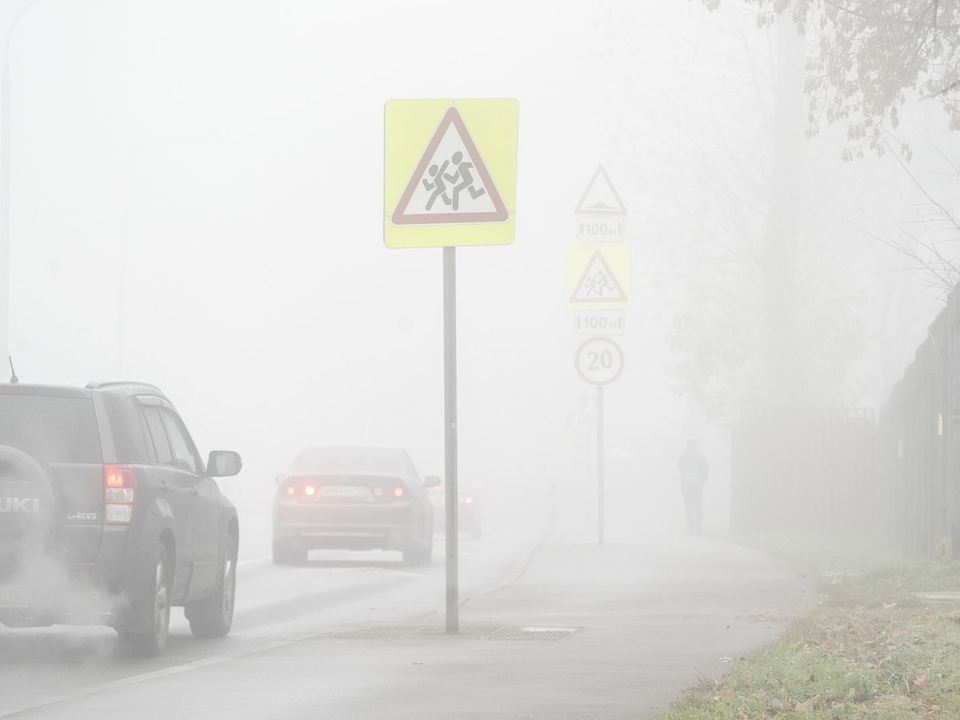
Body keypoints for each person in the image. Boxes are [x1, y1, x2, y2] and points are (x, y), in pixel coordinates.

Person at [677, 440, 708, 534]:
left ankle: (696, 528)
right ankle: (693, 527)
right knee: (691, 506)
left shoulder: (700, 458)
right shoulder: (684, 456)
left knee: (694, 506)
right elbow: (679, 466)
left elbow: (705, 470)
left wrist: (701, 480)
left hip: (694, 485)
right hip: (688, 485)